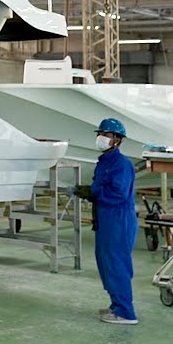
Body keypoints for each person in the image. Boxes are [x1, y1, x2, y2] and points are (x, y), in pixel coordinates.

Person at [74, 117, 138, 325]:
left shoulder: (122, 164)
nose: (101, 137)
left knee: (116, 264)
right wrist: (90, 192)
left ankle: (126, 312)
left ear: (117, 139)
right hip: (105, 218)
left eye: (106, 134)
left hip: (118, 219)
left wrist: (92, 193)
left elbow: (118, 193)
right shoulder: (105, 161)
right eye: (100, 134)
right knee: (106, 263)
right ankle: (116, 305)